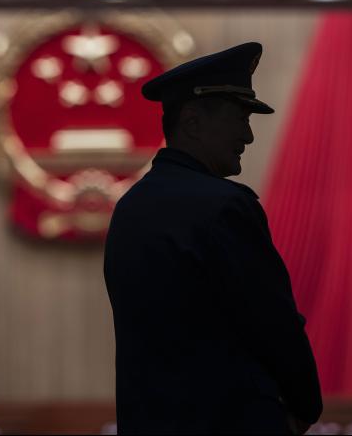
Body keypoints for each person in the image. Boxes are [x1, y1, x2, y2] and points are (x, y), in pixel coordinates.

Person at [103, 42, 323, 435]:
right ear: (192, 120)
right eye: (240, 118)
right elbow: (272, 321)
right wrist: (305, 406)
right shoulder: (224, 207)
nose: (249, 136)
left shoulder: (131, 207)